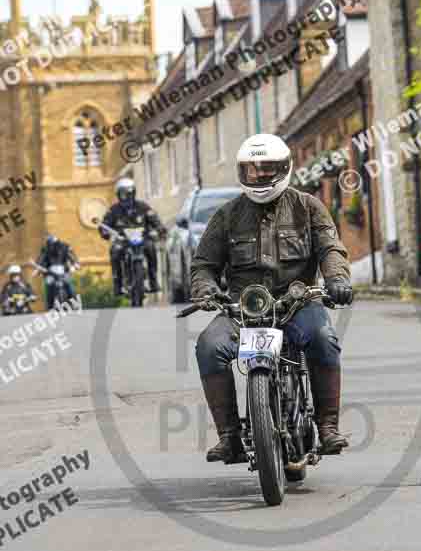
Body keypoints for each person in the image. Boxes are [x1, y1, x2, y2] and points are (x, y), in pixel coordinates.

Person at [191, 133, 354, 464]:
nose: (261, 176)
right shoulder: (226, 216)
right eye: (253, 170)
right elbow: (204, 264)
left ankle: (327, 427)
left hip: (297, 303)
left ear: (285, 169)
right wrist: (206, 290)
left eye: (268, 169)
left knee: (323, 337)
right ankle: (230, 437)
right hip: (242, 309)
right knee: (209, 346)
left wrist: (336, 279)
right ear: (242, 173)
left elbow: (330, 248)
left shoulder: (308, 207)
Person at [99, 177, 167, 296]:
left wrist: (159, 229)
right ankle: (117, 284)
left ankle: (153, 280)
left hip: (142, 239)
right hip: (123, 240)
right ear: (118, 195)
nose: (127, 196)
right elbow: (105, 224)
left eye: (129, 193)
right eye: (123, 193)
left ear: (134, 193)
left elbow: (154, 219)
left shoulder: (143, 207)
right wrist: (104, 231)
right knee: (115, 251)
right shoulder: (113, 210)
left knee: (151, 248)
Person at [36, 235, 79, 309]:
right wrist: (38, 269)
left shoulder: (64, 248)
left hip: (63, 271)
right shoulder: (45, 249)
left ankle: (74, 302)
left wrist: (75, 264)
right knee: (48, 284)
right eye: (50, 244)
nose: (52, 246)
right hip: (50, 272)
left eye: (54, 244)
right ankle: (49, 305)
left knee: (69, 283)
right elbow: (41, 259)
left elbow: (71, 256)